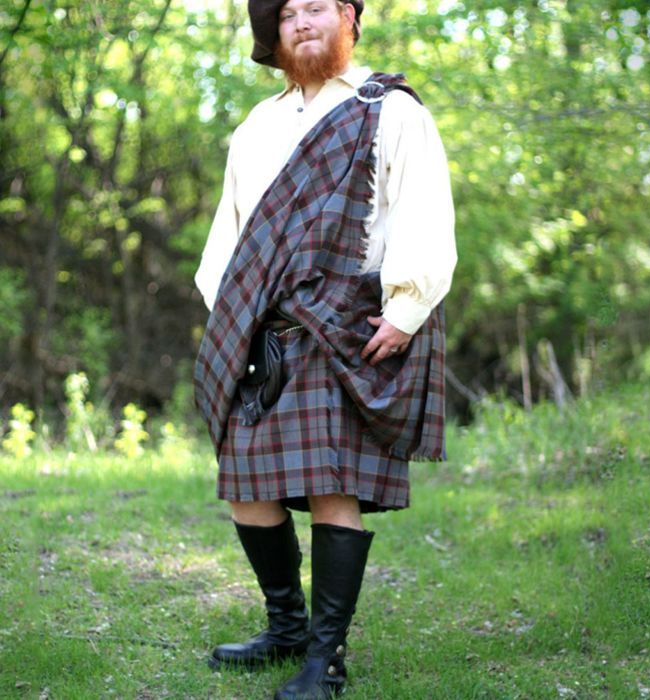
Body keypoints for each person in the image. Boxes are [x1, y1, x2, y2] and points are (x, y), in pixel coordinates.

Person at [193, 1, 457, 697]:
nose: (302, 22)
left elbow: (424, 209)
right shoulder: (256, 126)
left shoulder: (390, 111)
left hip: (345, 324)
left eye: (317, 6)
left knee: (332, 484)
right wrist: (230, 314)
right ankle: (285, 628)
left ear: (348, 18)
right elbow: (231, 232)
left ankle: (326, 658)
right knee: (247, 487)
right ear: (274, 34)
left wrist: (406, 310)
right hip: (263, 328)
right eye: (288, 13)